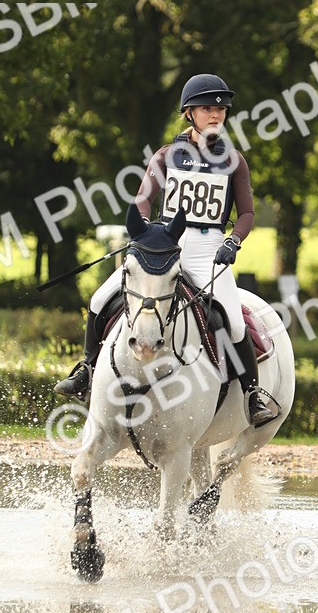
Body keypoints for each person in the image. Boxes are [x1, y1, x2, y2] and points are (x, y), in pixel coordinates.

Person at [55, 73, 275, 427]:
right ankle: (87, 369)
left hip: (208, 250)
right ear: (189, 113)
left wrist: (233, 241)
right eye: (207, 108)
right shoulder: (167, 156)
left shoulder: (234, 161)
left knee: (234, 323)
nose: (216, 114)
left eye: (221, 109)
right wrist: (145, 230)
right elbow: (143, 200)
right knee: (99, 299)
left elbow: (247, 213)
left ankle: (252, 395)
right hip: (163, 247)